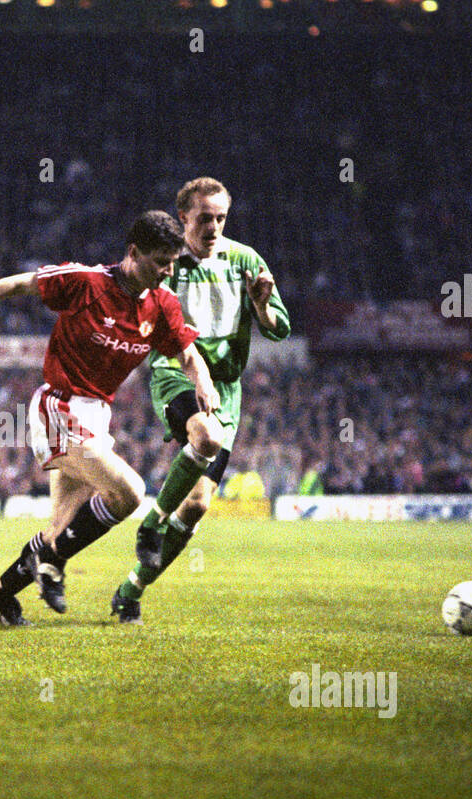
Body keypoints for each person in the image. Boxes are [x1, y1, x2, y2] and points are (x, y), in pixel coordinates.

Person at [0, 211, 219, 625]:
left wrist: (203, 383)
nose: (168, 271)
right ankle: (50, 563)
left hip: (97, 416)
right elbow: (18, 284)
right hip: (58, 406)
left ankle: (0, 594)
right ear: (133, 253)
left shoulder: (161, 303)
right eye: (160, 262)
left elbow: (187, 353)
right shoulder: (86, 281)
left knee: (59, 532)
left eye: (173, 262)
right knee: (130, 492)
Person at [111, 178, 290, 623]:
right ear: (184, 218)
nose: (213, 226)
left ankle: (131, 589)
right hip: (177, 372)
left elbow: (279, 327)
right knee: (204, 435)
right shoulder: (168, 261)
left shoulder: (246, 260)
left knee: (196, 506)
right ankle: (151, 523)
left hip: (227, 388)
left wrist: (262, 307)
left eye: (221, 218)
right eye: (204, 218)